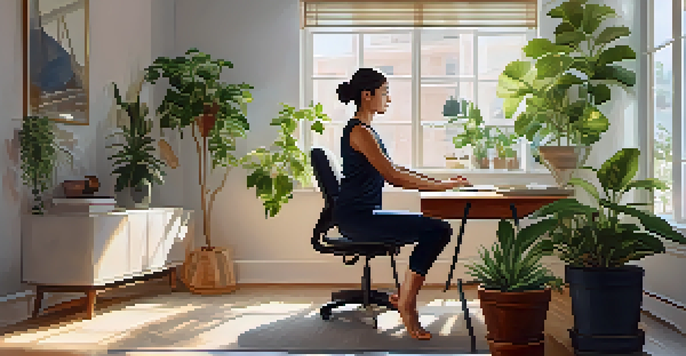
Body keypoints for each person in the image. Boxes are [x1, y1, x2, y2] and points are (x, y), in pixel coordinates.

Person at [333, 68, 470, 340]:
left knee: (435, 229)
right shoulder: (360, 132)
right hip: (357, 219)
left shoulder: (367, 131)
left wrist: (442, 182)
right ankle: (406, 302)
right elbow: (394, 177)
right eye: (384, 93)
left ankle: (403, 296)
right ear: (367, 95)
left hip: (363, 215)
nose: (389, 99)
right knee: (437, 230)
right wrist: (443, 186)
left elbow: (396, 168)